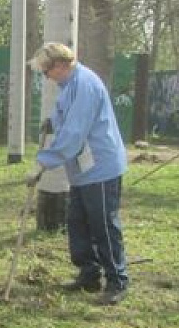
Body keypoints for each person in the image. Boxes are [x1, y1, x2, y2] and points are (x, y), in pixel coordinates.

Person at [32, 42, 130, 306]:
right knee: (78, 222)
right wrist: (52, 123)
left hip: (100, 166)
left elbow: (75, 132)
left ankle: (117, 280)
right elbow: (65, 117)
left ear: (60, 65)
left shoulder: (84, 84)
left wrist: (44, 162)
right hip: (82, 169)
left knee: (103, 225)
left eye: (46, 71)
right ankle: (89, 274)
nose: (46, 77)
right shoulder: (69, 85)